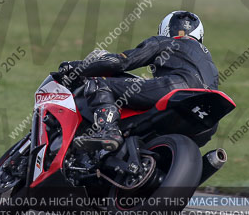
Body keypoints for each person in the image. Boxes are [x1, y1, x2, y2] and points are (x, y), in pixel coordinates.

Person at [57, 11, 219, 152]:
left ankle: (108, 131)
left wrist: (76, 67)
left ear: (165, 29)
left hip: (176, 88)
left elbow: (120, 62)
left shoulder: (164, 41)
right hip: (208, 116)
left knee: (99, 83)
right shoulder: (208, 59)